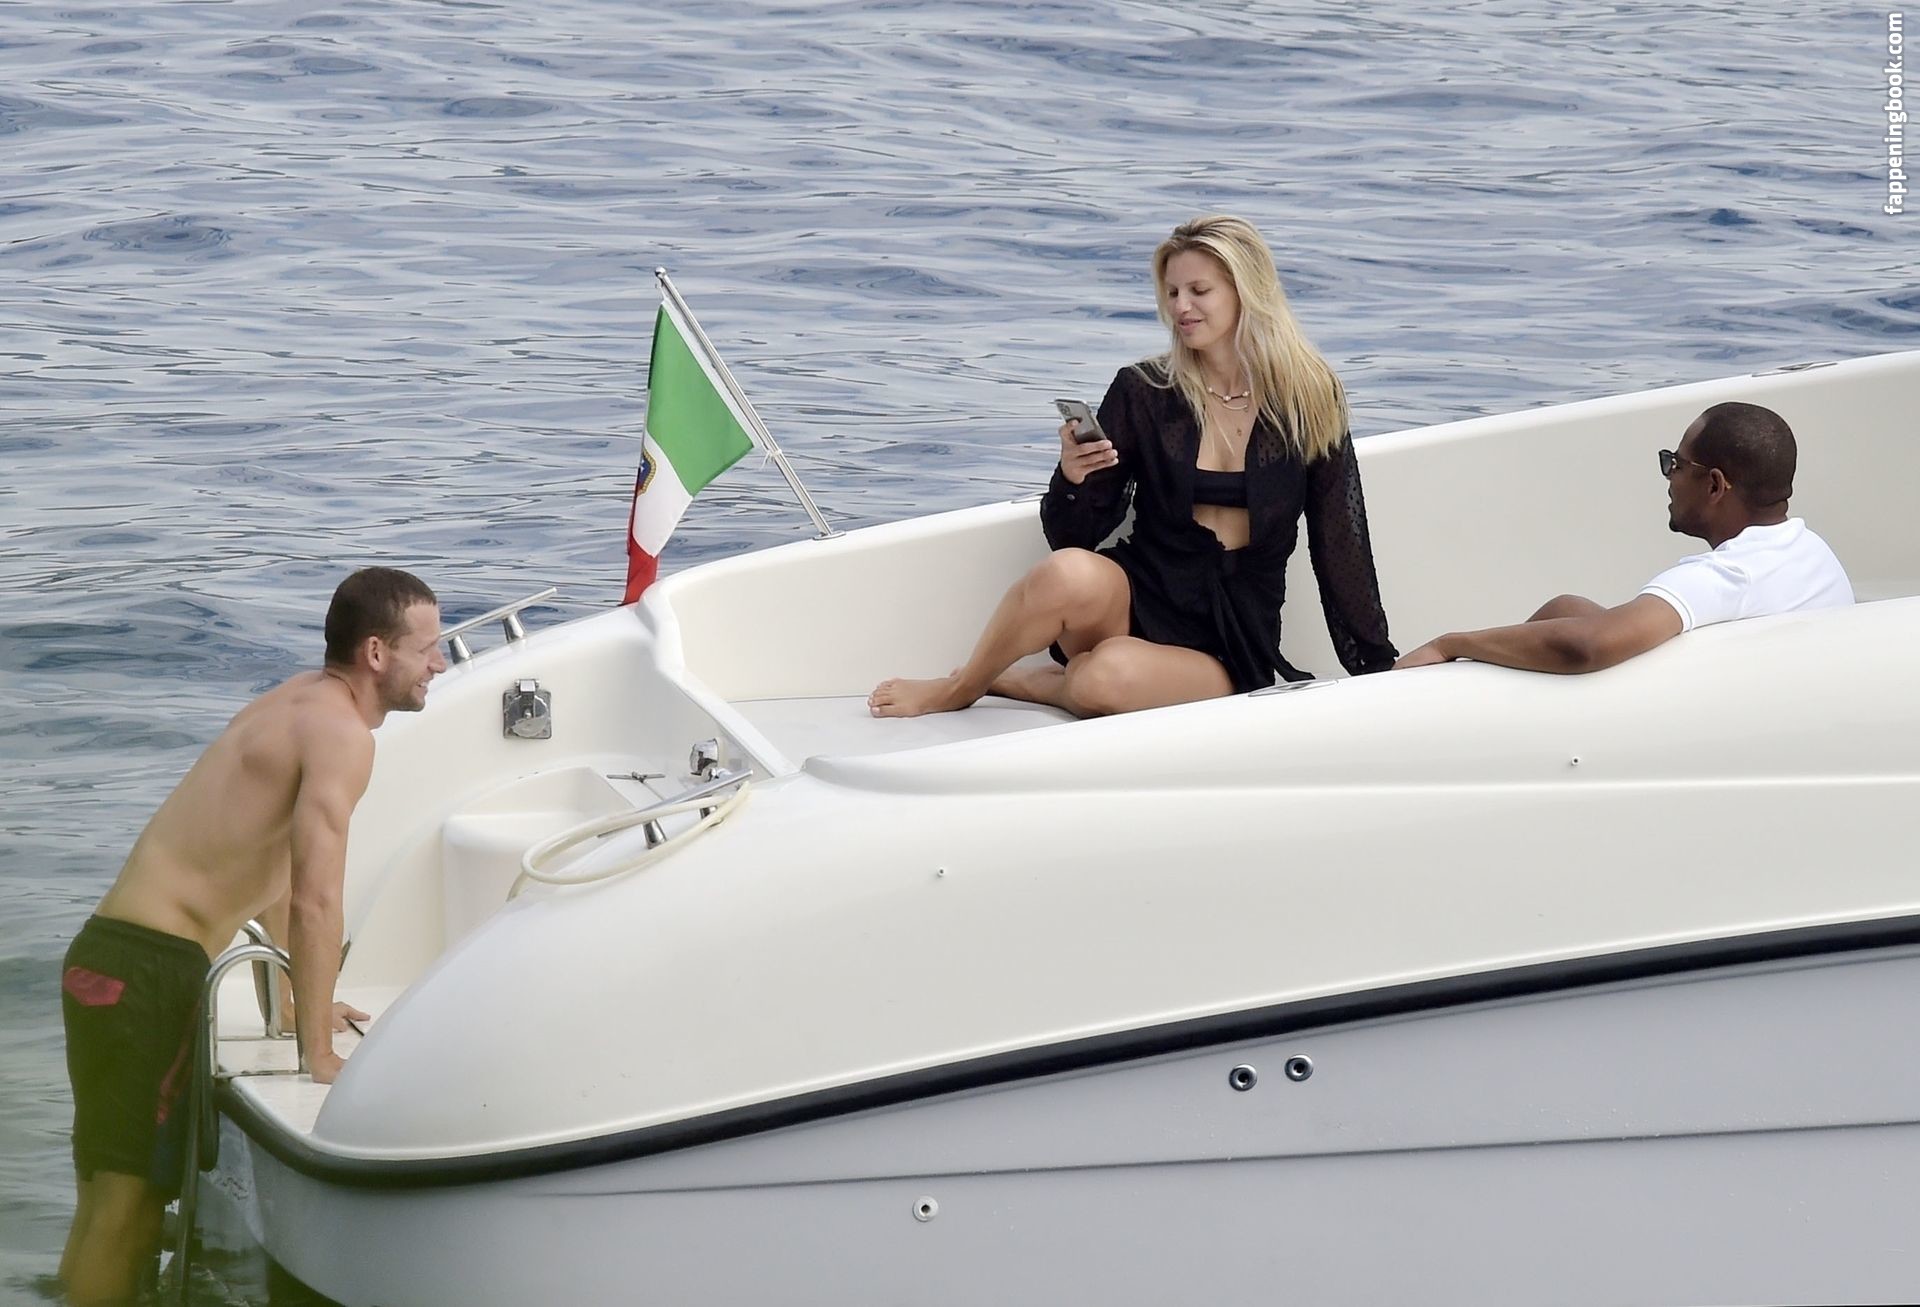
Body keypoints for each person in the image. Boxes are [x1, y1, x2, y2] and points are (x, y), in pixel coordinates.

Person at [58, 566, 445, 1306]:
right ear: (375, 652)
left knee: (104, 1202)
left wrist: (297, 1006)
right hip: (153, 973)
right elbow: (317, 898)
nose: (440, 664)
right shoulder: (342, 735)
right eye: (426, 648)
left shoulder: (294, 701)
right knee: (129, 1214)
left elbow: (276, 885)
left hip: (106, 957)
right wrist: (318, 1053)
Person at [867, 215, 1397, 718]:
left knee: (1104, 677)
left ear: (1246, 290)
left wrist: (1376, 666)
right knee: (1064, 574)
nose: (1182, 307)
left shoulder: (1308, 398)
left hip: (1228, 635)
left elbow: (1340, 541)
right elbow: (1074, 537)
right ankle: (961, 688)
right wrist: (1074, 479)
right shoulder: (1146, 390)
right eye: (1172, 292)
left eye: (1199, 290)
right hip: (1140, 590)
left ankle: (1033, 683)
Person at [1394, 402, 1853, 675]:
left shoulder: (1729, 575)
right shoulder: (1811, 552)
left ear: (1715, 485)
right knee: (1565, 608)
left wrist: (1451, 644)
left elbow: (1588, 646)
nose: (1669, 477)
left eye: (1676, 465)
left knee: (1568, 635)